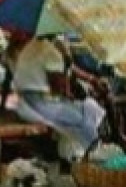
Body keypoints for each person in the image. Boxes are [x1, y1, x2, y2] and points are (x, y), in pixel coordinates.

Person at [8, 30, 106, 159]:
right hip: (38, 105)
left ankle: (88, 152)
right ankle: (94, 154)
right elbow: (59, 88)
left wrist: (89, 80)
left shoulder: (32, 46)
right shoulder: (50, 51)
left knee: (84, 111)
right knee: (83, 117)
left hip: (24, 104)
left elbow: (66, 74)